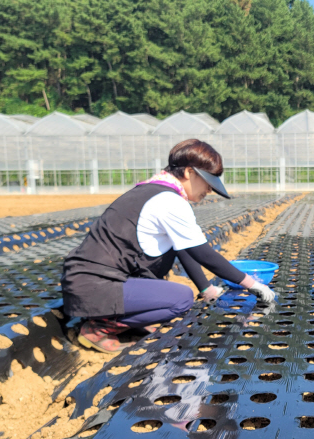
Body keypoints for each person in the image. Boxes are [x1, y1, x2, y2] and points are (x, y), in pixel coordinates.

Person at [61, 139, 276, 353]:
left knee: (170, 292)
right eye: (207, 182)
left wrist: (206, 288)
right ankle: (99, 328)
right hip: (96, 286)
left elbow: (185, 248)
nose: (209, 190)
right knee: (180, 298)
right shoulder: (169, 201)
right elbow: (203, 253)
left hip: (89, 281)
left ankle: (126, 319)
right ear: (189, 173)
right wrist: (252, 284)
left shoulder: (155, 191)